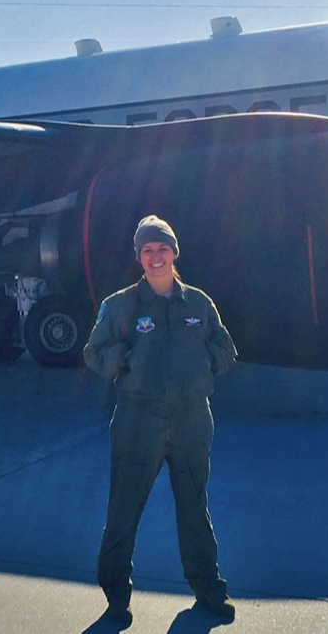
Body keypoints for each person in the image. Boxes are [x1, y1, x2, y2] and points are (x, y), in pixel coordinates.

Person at [83, 215, 238, 625]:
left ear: (174, 252)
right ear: (139, 257)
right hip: (138, 421)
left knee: (194, 508)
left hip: (191, 421)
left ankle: (209, 590)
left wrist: (206, 363)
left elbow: (225, 348)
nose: (156, 256)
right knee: (123, 510)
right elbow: (93, 353)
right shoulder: (120, 305)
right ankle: (116, 596)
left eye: (162, 248)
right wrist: (125, 359)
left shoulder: (199, 303)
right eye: (148, 250)